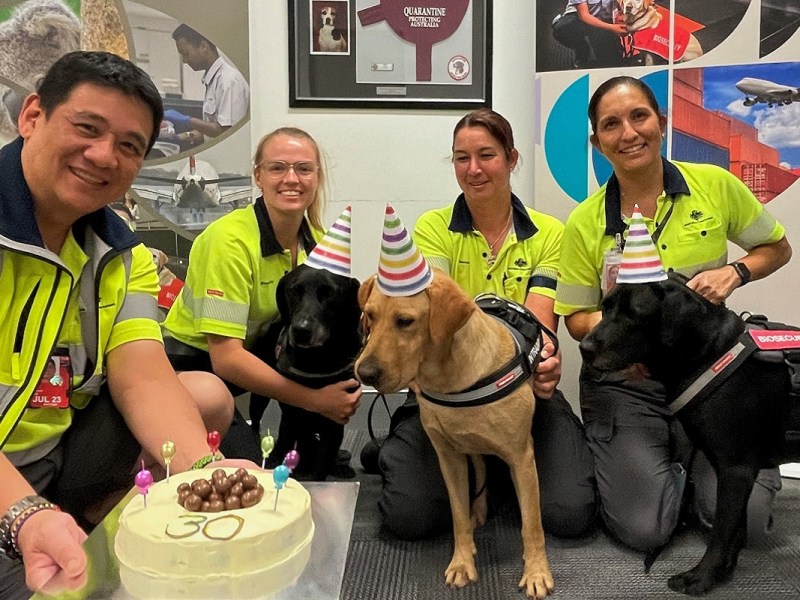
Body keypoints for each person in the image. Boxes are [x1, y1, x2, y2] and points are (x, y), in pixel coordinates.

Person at [0, 51, 253, 600]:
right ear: (32, 116)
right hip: (16, 473)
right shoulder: (232, 240)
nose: (103, 156)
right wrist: (22, 515)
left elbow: (143, 377)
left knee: (201, 398)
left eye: (129, 146)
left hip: (55, 436)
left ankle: (89, 513)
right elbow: (228, 349)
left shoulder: (121, 251)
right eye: (87, 129)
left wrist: (204, 475)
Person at [554, 75, 793, 552]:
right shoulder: (585, 221)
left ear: (661, 123)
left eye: (639, 116)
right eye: (611, 124)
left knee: (744, 519)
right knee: (645, 529)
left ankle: (691, 454)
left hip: (713, 377)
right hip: (628, 382)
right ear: (597, 142)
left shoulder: (716, 185)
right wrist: (633, 336)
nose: (628, 133)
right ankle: (668, 455)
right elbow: (577, 318)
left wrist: (737, 273)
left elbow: (777, 249)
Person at [368, 108, 598, 540]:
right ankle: (448, 461)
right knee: (410, 519)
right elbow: (426, 313)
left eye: (486, 155)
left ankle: (500, 465)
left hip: (515, 390)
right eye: (461, 157)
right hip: (443, 395)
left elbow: (538, 325)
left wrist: (544, 360)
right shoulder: (433, 228)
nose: (473, 169)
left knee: (571, 515)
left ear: (511, 159)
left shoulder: (549, 232)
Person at [162, 127, 362, 475]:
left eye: (303, 168)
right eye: (277, 168)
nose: (291, 178)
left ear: (317, 176)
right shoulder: (228, 241)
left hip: (254, 358)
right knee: (254, 474)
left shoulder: (315, 242)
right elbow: (226, 359)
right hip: (197, 368)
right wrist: (317, 402)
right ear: (258, 176)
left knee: (302, 459)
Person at [165, 23, 250, 140]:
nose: (184, 60)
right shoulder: (213, 80)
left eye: (186, 53)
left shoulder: (228, 80)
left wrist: (189, 120)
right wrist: (182, 137)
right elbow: (210, 132)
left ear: (204, 46)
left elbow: (226, 132)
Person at [551, 0, 627, 68]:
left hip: (604, 20)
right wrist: (612, 28)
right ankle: (582, 50)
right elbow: (584, 16)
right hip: (579, 18)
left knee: (611, 62)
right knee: (564, 28)